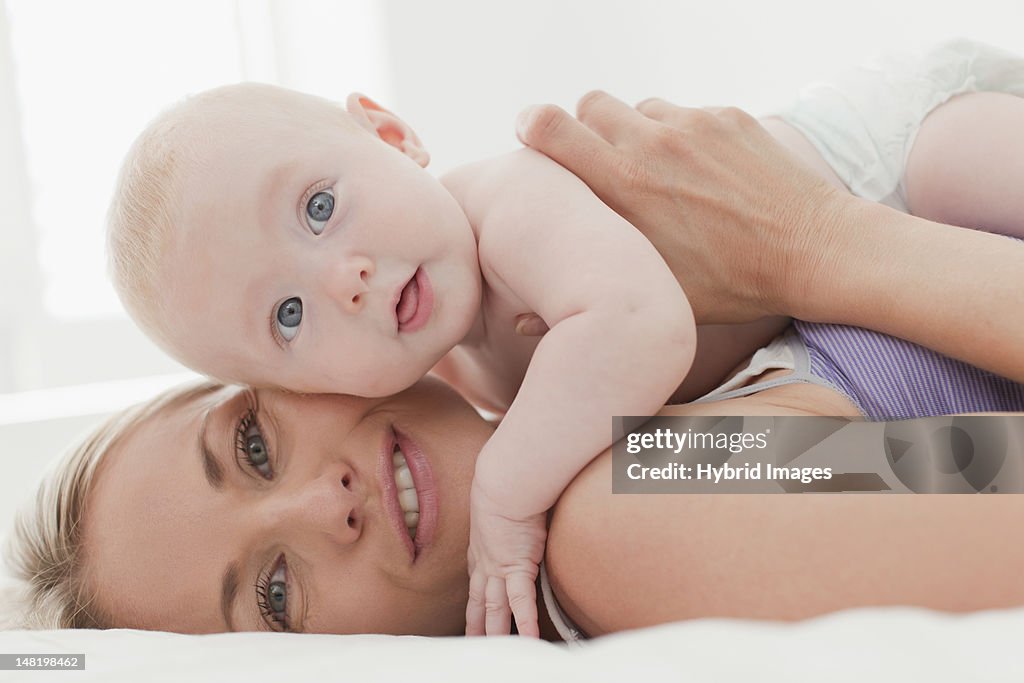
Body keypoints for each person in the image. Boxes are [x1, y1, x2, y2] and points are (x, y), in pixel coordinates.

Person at [104, 39, 1024, 635]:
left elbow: (639, 324)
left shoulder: (502, 224)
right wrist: (814, 243)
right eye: (273, 595)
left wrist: (818, 243)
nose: (323, 505)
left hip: (892, 147)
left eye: (255, 443)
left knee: (954, 161)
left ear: (390, 135)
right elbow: (977, 460)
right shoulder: (603, 517)